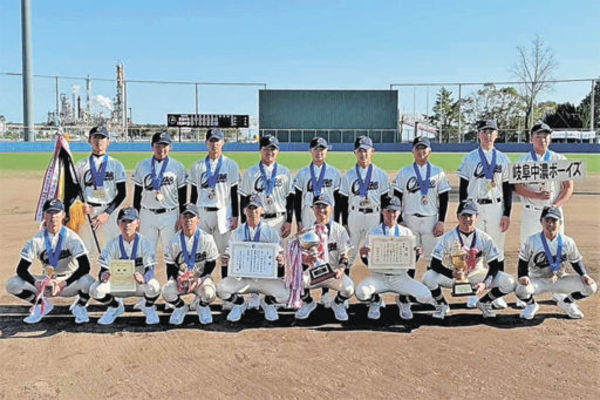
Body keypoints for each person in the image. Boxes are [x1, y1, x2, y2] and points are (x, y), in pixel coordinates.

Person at [423, 200, 516, 319]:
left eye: (470, 215)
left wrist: (485, 283)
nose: (467, 219)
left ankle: (485, 302)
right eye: (464, 215)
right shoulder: (448, 237)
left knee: (509, 282)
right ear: (458, 217)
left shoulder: (484, 238)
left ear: (476, 216)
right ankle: (442, 304)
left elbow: (494, 265)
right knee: (428, 277)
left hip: (477, 274)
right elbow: (434, 263)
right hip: (454, 276)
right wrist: (452, 274)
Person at [6, 199, 94, 324]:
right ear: (44, 216)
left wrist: (63, 283)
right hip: (46, 283)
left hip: (68, 283)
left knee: (89, 282)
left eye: (57, 213)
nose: (53, 217)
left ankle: (80, 305)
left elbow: (85, 267)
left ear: (63, 215)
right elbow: (21, 269)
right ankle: (41, 304)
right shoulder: (37, 240)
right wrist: (36, 283)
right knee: (13, 283)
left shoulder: (72, 238)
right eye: (50, 212)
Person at [457, 119, 513, 310]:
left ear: (497, 135)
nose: (487, 135)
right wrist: (462, 211)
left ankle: (496, 294)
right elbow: (463, 187)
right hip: (474, 208)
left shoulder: (503, 159)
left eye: (491, 131)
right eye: (484, 131)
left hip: (496, 207)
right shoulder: (470, 158)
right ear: (478, 134)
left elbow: (507, 189)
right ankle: (472, 293)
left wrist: (507, 213)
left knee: (497, 250)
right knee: (472, 249)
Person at [391, 136, 451, 314]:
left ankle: (431, 293)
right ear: (413, 151)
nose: (421, 151)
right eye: (418, 148)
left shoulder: (438, 172)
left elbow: (444, 198)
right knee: (409, 259)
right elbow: (397, 196)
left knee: (432, 259)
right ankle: (404, 296)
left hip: (431, 219)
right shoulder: (405, 172)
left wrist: (441, 220)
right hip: (409, 219)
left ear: (429, 151)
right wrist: (399, 220)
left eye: (424, 148)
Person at [355, 196, 433, 320]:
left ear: (400, 212)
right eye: (388, 211)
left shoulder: (406, 233)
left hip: (400, 278)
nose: (391, 214)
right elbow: (369, 262)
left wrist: (417, 254)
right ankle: (376, 300)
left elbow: (410, 262)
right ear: (382, 211)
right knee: (361, 293)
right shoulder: (373, 232)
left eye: (395, 211)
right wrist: (363, 255)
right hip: (379, 277)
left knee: (425, 296)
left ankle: (403, 300)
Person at [239, 135, 294, 309]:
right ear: (260, 150)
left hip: (278, 219)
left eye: (273, 149)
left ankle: (277, 292)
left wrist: (289, 221)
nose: (270, 152)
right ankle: (254, 294)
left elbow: (290, 198)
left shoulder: (284, 172)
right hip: (257, 220)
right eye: (266, 148)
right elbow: (244, 198)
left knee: (279, 257)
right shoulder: (251, 172)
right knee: (255, 255)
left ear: (278, 151)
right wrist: (245, 222)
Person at [516, 206, 597, 320]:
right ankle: (531, 305)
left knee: (591, 287)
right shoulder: (532, 240)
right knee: (521, 289)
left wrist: (584, 274)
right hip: (538, 280)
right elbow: (523, 261)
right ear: (541, 221)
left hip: (560, 279)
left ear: (560, 223)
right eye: (547, 220)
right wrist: (523, 276)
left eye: (554, 221)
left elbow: (576, 261)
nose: (550, 224)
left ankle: (567, 303)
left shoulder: (567, 242)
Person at [217, 195, 289, 322]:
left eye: (256, 208)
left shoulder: (270, 232)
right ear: (244, 211)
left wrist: (281, 262)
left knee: (286, 294)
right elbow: (229, 254)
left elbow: (280, 258)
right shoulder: (237, 233)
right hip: (244, 280)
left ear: (262, 210)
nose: (253, 212)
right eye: (249, 208)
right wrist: (226, 260)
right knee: (221, 289)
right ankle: (239, 303)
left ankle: (268, 302)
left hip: (264, 280)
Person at [89, 207, 161, 326]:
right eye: (124, 221)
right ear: (118, 223)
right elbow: (102, 270)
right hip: (118, 285)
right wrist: (103, 276)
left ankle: (148, 306)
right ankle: (115, 307)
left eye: (130, 221)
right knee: (95, 290)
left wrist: (144, 279)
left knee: (154, 286)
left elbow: (150, 270)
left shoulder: (145, 243)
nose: (127, 225)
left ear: (138, 223)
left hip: (138, 284)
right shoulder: (112, 244)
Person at [293, 136, 342, 307]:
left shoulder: (334, 173)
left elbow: (339, 200)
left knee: (325, 250)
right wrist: (299, 221)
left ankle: (326, 292)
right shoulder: (303, 173)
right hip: (308, 213)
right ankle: (304, 292)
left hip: (327, 214)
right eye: (315, 149)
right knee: (307, 251)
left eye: (322, 149)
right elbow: (297, 199)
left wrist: (338, 221)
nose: (319, 152)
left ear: (326, 151)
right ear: (310, 151)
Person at [293, 194, 354, 321]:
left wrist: (341, 269)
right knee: (294, 282)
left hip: (333, 273)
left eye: (324, 206)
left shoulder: (339, 230)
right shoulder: (307, 231)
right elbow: (301, 260)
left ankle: (338, 303)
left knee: (349, 288)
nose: (321, 210)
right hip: (313, 272)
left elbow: (345, 255)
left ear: (331, 208)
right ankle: (308, 303)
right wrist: (305, 260)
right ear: (313, 209)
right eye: (317, 206)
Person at [514, 122, 573, 245]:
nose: (542, 140)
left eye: (545, 136)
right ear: (531, 139)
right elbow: (517, 188)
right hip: (531, 213)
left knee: (555, 248)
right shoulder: (522, 161)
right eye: (538, 136)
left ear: (550, 138)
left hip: (553, 212)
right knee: (530, 248)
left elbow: (568, 187)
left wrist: (555, 206)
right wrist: (536, 195)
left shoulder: (560, 160)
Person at [161, 204, 219, 325]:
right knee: (167, 291)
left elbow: (211, 262)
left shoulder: (206, 238)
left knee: (209, 294)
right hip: (182, 280)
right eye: (185, 217)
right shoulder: (174, 240)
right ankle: (181, 307)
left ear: (198, 219)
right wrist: (178, 278)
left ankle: (201, 306)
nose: (188, 220)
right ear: (180, 219)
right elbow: (170, 265)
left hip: (200, 279)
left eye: (191, 217)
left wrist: (200, 279)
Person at [74, 126, 127, 259]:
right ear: (89, 141)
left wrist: (107, 213)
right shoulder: (81, 165)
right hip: (87, 212)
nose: (99, 141)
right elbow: (75, 190)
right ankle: (87, 273)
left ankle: (109, 273)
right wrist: (81, 205)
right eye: (95, 137)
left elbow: (122, 193)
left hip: (108, 212)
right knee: (85, 252)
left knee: (111, 251)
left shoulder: (116, 165)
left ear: (108, 141)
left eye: (102, 138)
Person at [339, 136, 391, 267]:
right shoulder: (348, 175)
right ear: (355, 152)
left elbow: (385, 201)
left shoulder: (381, 174)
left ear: (372, 151)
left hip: (374, 215)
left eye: (366, 150)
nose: (363, 154)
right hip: (354, 215)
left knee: (375, 251)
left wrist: (383, 222)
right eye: (360, 150)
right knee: (349, 251)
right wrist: (344, 223)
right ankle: (344, 278)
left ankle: (376, 279)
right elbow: (343, 202)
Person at [188, 128, 240, 255]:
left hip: (223, 212)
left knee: (224, 252)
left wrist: (235, 216)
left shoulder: (231, 164)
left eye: (217, 141)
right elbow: (193, 194)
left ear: (222, 142)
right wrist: (192, 214)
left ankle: (224, 270)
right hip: (202, 212)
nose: (214, 144)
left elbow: (234, 193)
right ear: (206, 143)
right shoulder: (197, 166)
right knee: (202, 251)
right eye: (211, 141)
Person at [132, 131, 187, 250]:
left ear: (170, 147)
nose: (161, 149)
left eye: (164, 145)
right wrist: (135, 217)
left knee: (172, 251)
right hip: (147, 214)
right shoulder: (142, 165)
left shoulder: (178, 166)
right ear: (152, 146)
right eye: (158, 145)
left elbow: (183, 196)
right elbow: (137, 194)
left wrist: (182, 217)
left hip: (170, 214)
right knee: (146, 251)